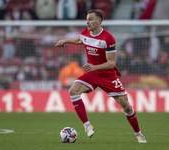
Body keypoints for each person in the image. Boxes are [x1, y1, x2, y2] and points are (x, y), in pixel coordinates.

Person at [55, 9, 147, 143]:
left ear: (99, 21)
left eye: (91, 19)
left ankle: (138, 133)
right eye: (87, 19)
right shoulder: (85, 32)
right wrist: (66, 41)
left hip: (108, 76)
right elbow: (81, 40)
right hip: (91, 74)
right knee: (73, 91)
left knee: (126, 106)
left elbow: (111, 63)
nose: (88, 22)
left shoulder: (108, 38)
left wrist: (95, 67)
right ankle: (87, 125)